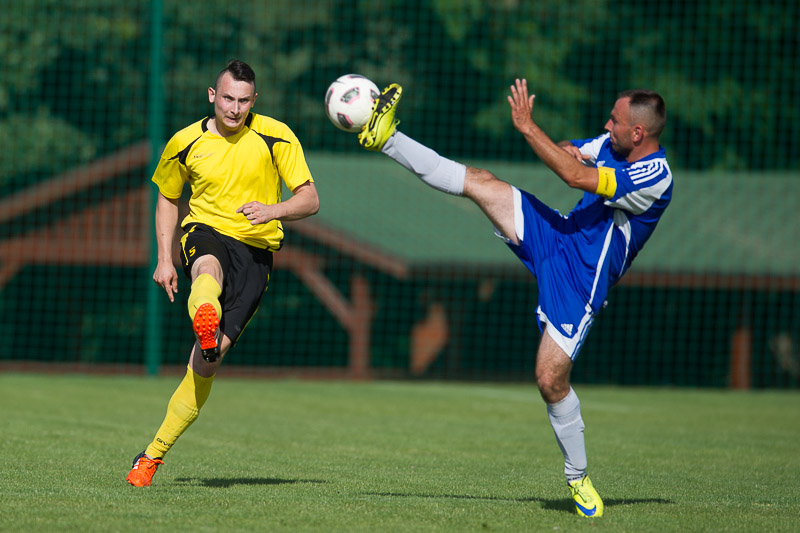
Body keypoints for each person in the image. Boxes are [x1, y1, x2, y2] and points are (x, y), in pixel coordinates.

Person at [357, 79, 672, 517]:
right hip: (557, 234)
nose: (606, 125)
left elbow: (574, 175)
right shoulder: (611, 145)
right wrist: (566, 148)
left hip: (581, 282)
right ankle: (386, 138)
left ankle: (578, 477)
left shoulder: (655, 176)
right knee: (481, 182)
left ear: (638, 133)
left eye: (614, 121)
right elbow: (571, 154)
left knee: (549, 380)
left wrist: (528, 128)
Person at [126, 59, 319, 487]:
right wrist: (164, 258)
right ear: (212, 95)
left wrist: (273, 210)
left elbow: (310, 199)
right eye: (228, 98)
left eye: (243, 101)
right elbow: (168, 197)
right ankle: (204, 313)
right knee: (206, 268)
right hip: (206, 230)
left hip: (256, 253)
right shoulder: (184, 142)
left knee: (206, 361)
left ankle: (153, 452)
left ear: (255, 100)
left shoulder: (276, 136)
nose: (234, 109)